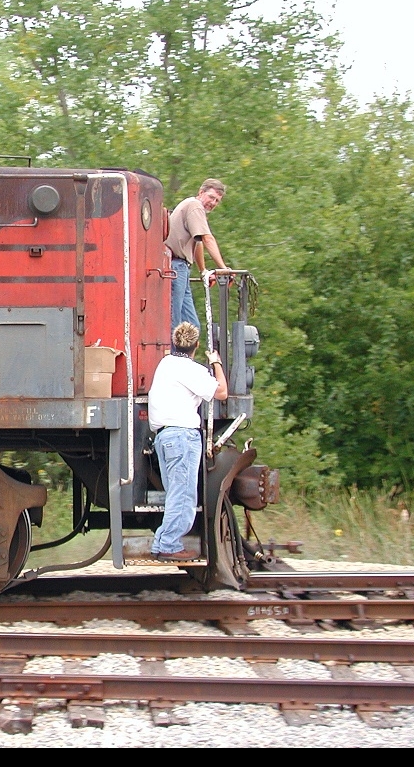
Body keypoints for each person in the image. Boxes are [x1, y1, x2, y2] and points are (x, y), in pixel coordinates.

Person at [148, 322, 228, 561]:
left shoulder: (165, 364)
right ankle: (168, 545)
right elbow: (222, 392)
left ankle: (162, 543)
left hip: (163, 436)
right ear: (197, 345)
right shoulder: (192, 370)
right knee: (183, 496)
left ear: (174, 344)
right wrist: (216, 362)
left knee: (175, 493)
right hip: (183, 436)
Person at [165, 179, 231, 332]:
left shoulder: (193, 208)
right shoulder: (195, 206)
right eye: (211, 197)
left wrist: (203, 271)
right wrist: (223, 268)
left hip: (182, 268)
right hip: (175, 267)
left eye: (217, 201)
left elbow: (198, 242)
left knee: (192, 326)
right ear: (201, 192)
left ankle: (186, 348)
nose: (213, 203)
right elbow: (208, 239)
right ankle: (173, 348)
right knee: (175, 324)